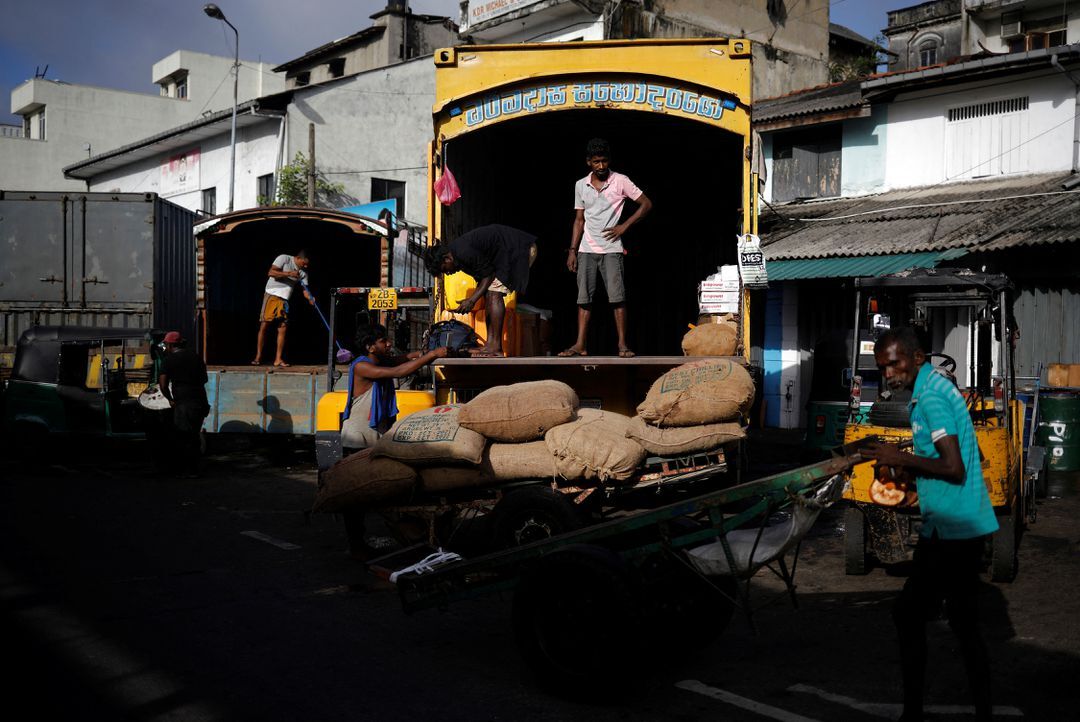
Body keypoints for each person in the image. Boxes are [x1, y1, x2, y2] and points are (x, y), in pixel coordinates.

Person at [861, 327, 998, 722]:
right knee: (957, 623)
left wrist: (900, 459)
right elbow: (936, 460)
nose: (888, 374)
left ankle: (913, 712)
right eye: (882, 367)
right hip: (948, 526)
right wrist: (903, 465)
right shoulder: (928, 389)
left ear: (917, 358)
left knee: (913, 615)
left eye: (893, 364)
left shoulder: (934, 398)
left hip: (955, 531)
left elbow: (953, 467)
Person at [339, 323, 449, 558]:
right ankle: (357, 545)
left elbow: (398, 361)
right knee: (357, 498)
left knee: (381, 490)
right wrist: (431, 356)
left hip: (373, 438)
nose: (388, 344)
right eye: (383, 341)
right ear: (370, 347)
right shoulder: (362, 367)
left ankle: (395, 539)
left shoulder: (377, 361)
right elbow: (399, 372)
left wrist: (413, 355)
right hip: (357, 439)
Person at [560, 137, 652, 358]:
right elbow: (579, 220)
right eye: (596, 162)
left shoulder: (620, 181)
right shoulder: (581, 185)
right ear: (588, 162)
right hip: (586, 250)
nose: (601, 166)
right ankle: (580, 344)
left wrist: (624, 226)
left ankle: (622, 345)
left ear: (609, 160)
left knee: (617, 297)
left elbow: (646, 204)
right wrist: (572, 250)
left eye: (604, 161)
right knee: (584, 299)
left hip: (611, 249)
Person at [422, 224, 538, 357]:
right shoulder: (458, 257)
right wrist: (473, 298)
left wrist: (471, 300)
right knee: (489, 293)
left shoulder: (463, 252)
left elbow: (488, 275)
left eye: (445, 269)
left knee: (494, 294)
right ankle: (490, 344)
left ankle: (496, 347)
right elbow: (485, 278)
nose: (447, 273)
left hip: (519, 249)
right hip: (505, 253)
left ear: (447, 259)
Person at [158, 331, 210, 477]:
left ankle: (189, 470)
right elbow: (204, 380)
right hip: (200, 401)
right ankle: (195, 467)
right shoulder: (196, 357)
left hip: (183, 403)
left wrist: (170, 399)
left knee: (184, 437)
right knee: (194, 434)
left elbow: (162, 384)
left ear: (170, 345)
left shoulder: (168, 360)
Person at [253, 250, 314, 367]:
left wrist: (310, 298)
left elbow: (305, 290)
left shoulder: (304, 273)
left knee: (283, 328)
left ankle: (278, 359)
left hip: (284, 299)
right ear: (298, 258)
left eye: (307, 265)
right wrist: (289, 274)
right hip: (272, 294)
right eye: (304, 263)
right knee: (264, 325)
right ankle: (258, 357)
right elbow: (271, 272)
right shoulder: (284, 258)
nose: (305, 266)